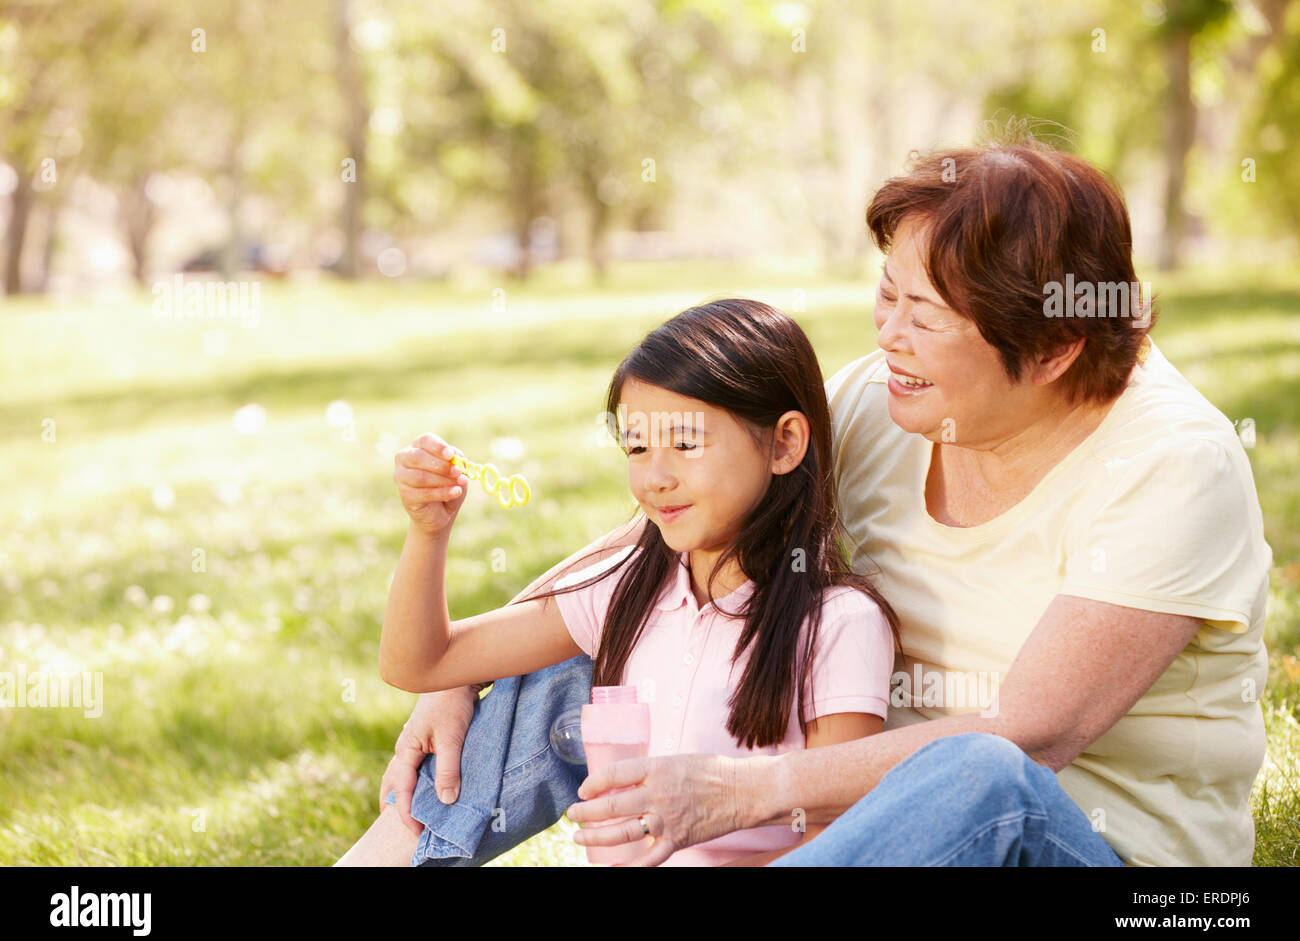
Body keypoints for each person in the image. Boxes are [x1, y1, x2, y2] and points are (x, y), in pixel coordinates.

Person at [341, 129, 1272, 868]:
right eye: (887, 295)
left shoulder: (1169, 462)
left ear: (1056, 346)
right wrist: (464, 667)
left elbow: (1035, 735)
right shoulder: (887, 398)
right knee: (611, 644)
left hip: (1086, 853)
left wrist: (736, 791)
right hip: (861, 812)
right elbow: (661, 546)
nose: (888, 335)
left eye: (927, 316)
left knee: (983, 773)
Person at [338, 299, 903, 866]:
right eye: (636, 447)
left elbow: (834, 846)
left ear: (783, 444)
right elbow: (419, 664)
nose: (655, 477)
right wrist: (428, 532)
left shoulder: (839, 622)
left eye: (685, 444)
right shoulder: (628, 591)